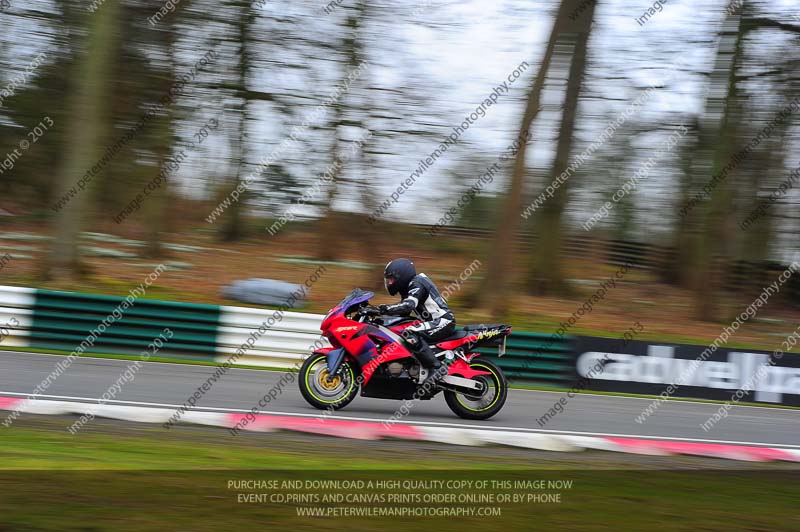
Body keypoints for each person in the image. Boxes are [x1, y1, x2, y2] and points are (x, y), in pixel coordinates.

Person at [378, 258, 455, 388]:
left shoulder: (417, 283)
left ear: (401, 275)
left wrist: (382, 309)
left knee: (409, 332)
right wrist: (378, 318)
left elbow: (408, 306)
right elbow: (402, 313)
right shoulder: (408, 287)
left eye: (391, 279)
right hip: (434, 321)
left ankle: (436, 368)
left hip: (443, 321)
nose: (390, 283)